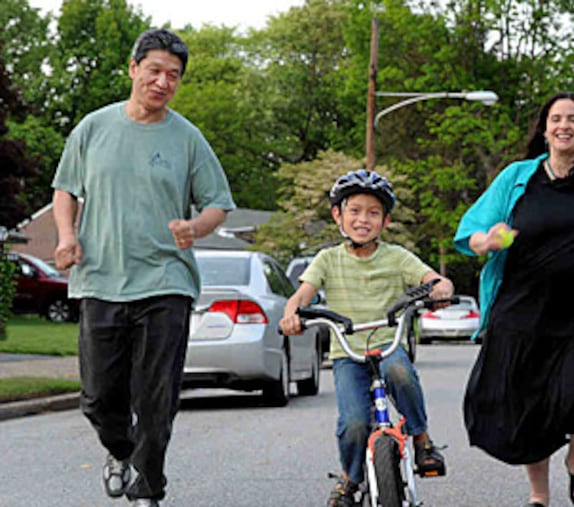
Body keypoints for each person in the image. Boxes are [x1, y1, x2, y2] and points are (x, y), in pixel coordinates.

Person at [51, 28, 235, 507]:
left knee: (156, 399)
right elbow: (65, 190)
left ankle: (147, 489)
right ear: (133, 69)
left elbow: (218, 204)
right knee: (98, 398)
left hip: (165, 282)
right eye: (154, 70)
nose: (162, 81)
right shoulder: (93, 128)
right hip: (100, 280)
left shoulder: (188, 138)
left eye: (173, 75)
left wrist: (195, 228)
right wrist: (68, 237)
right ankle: (121, 451)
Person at [453, 92, 574, 507]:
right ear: (544, 130)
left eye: (573, 119)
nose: (564, 125)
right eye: (556, 118)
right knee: (529, 405)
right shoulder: (517, 177)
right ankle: (538, 495)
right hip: (523, 312)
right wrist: (488, 240)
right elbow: (471, 233)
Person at [279, 169, 452, 507]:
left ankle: (422, 439)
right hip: (348, 353)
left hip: (388, 345)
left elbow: (433, 279)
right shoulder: (328, 259)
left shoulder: (397, 256)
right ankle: (350, 477)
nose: (363, 219)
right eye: (354, 210)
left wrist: (441, 288)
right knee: (354, 422)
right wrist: (292, 314)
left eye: (373, 213)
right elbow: (302, 294)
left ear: (385, 221)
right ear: (338, 215)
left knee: (401, 374)